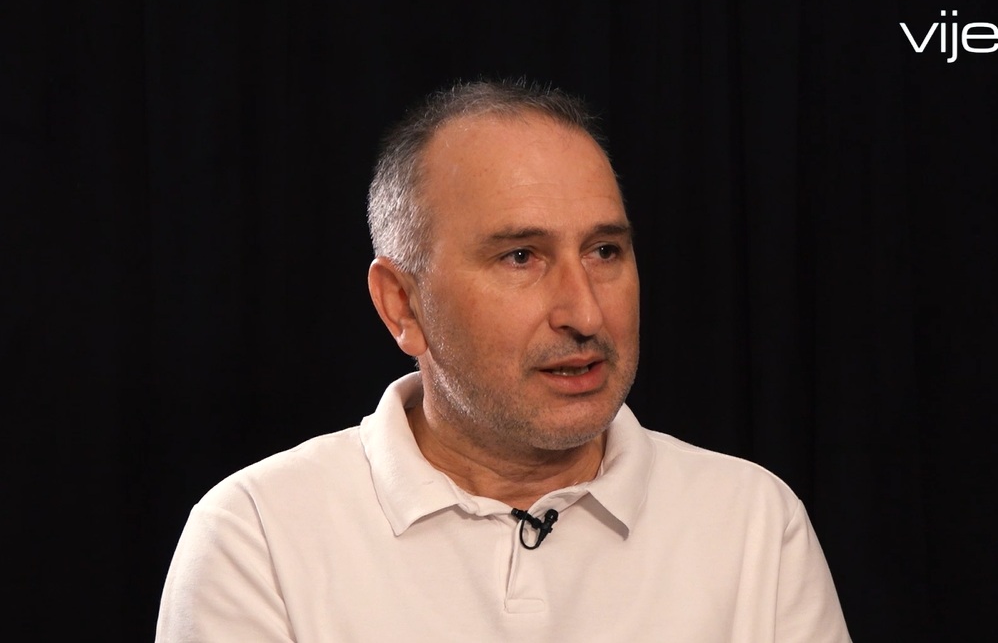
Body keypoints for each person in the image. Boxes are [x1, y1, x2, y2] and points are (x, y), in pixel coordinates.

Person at [156, 79, 851, 642]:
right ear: (401, 304)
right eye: (521, 257)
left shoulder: (753, 522)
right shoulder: (258, 535)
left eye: (604, 251)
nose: (585, 314)